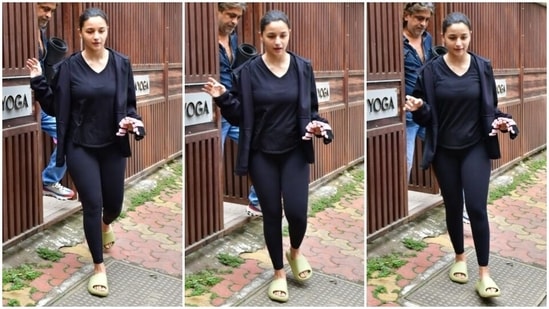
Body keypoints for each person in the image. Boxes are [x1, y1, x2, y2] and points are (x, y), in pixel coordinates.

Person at [202, 10, 333, 302]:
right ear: (261, 36)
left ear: (289, 34)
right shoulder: (247, 72)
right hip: (262, 153)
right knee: (271, 214)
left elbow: (312, 110)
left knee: (297, 212)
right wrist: (223, 97)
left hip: (295, 151)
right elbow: (239, 115)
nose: (277, 41)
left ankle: (295, 251)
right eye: (271, 36)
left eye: (283, 35)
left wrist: (321, 127)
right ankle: (277, 272)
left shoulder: (302, 67)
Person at [27, 7, 146, 297]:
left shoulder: (121, 63)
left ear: (107, 31)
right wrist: (38, 81)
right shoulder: (68, 68)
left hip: (112, 145)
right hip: (80, 145)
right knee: (92, 204)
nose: (96, 36)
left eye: (101, 30)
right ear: (80, 32)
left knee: (114, 205)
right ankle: (98, 268)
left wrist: (135, 124)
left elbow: (130, 106)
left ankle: (106, 225)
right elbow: (56, 107)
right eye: (90, 31)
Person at [405, 12, 518, 298]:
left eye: (463, 37)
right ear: (443, 37)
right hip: (444, 151)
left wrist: (503, 121)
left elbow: (491, 108)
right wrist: (419, 107)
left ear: (470, 36)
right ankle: (458, 258)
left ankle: (484, 273)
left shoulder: (482, 67)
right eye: (452, 38)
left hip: (476, 148)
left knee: (477, 208)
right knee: (453, 206)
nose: (458, 43)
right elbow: (426, 116)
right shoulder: (430, 72)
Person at [217, 2, 262, 216]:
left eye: (237, 17)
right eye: (229, 15)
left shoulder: (233, 39)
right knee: (213, 161)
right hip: (213, 112)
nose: (234, 21)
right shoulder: (205, 40)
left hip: (234, 109)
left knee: (258, 147)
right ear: (217, 12)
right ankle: (211, 212)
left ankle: (256, 201)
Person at [36, 2, 75, 200]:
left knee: (69, 134)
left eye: (51, 10)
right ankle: (50, 180)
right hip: (22, 103)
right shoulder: (21, 32)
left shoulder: (40, 34)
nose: (48, 15)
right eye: (44, 8)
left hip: (39, 103)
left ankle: (49, 180)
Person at [403, 2, 434, 183]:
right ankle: (400, 209)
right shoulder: (396, 41)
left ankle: (456, 205)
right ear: (407, 15)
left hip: (427, 109)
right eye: (419, 18)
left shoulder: (427, 39)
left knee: (442, 155)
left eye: (427, 19)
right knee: (405, 163)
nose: (423, 24)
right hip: (408, 113)